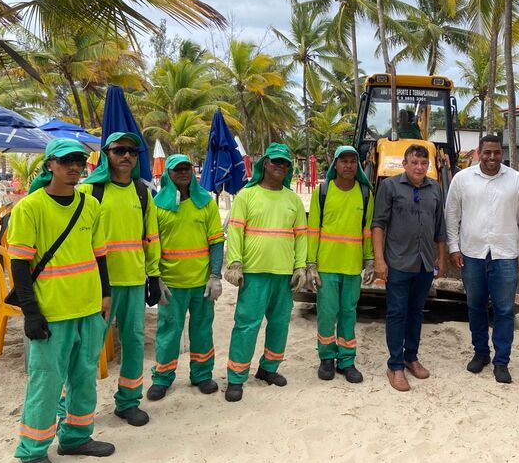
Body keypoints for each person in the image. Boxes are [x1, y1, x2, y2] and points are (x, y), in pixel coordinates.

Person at [7, 139, 114, 463]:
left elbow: (99, 254)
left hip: (88, 307)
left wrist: (106, 294)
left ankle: (76, 438)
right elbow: (19, 264)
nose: (74, 167)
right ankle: (32, 451)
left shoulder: (90, 204)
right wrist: (31, 312)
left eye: (79, 161)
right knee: (46, 382)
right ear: (50, 164)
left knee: (84, 378)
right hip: (52, 311)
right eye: (66, 161)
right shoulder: (30, 207)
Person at [81, 132, 161, 426]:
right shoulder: (90, 191)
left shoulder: (142, 192)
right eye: (119, 150)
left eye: (132, 151)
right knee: (89, 348)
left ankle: (128, 402)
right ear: (107, 155)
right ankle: (73, 412)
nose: (126, 155)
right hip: (98, 285)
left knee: (134, 342)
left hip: (134, 281)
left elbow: (151, 236)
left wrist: (153, 276)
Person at [445, 135, 519, 383]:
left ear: (502, 153)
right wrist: (453, 247)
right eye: (487, 152)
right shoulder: (462, 179)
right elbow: (451, 215)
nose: (492, 157)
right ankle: (481, 353)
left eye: (496, 152)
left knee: (504, 310)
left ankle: (501, 361)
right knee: (475, 306)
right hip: (472, 254)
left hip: (505, 255)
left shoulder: (517, 181)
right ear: (479, 152)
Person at [224, 143, 307, 402]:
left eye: (285, 163)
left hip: (283, 274)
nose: (280, 166)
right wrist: (234, 263)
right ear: (265, 164)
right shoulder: (246, 196)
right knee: (247, 324)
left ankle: (268, 369)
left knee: (280, 324)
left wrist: (300, 266)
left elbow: (301, 237)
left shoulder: (293, 200)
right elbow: (235, 232)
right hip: (254, 273)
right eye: (276, 162)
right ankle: (236, 377)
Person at [147, 155, 225, 401]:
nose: (183, 173)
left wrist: (215, 275)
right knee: (168, 333)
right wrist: (156, 278)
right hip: (172, 284)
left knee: (202, 331)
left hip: (202, 283)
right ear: (167, 174)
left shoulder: (206, 204)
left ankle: (202, 375)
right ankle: (162, 378)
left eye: (187, 169)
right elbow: (151, 245)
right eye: (177, 169)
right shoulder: (157, 206)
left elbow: (216, 241)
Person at [372, 144, 446, 391]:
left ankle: (410, 357)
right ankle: (395, 365)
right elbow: (378, 224)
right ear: (404, 164)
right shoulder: (390, 187)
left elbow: (439, 226)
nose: (419, 167)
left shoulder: (435, 188)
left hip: (424, 263)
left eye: (424, 163)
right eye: (414, 162)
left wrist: (441, 258)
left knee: (416, 312)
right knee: (397, 312)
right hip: (398, 263)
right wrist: (380, 260)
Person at [306, 145, 375, 383]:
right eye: (343, 161)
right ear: (335, 164)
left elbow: (367, 230)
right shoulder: (322, 191)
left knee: (348, 313)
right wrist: (311, 264)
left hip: (352, 267)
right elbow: (313, 230)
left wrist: (369, 259)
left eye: (352, 161)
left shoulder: (365, 193)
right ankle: (326, 358)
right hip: (326, 266)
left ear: (358, 165)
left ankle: (346, 360)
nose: (348, 165)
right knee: (327, 313)